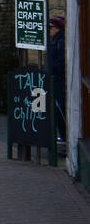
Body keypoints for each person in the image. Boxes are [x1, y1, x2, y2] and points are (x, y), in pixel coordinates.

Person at [49, 15, 67, 144]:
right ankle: (63, 134)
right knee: (56, 107)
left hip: (59, 79)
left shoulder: (61, 41)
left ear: (57, 28)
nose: (49, 30)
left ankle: (65, 136)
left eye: (51, 27)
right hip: (56, 78)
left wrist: (53, 69)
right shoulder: (56, 40)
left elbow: (61, 62)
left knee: (60, 107)